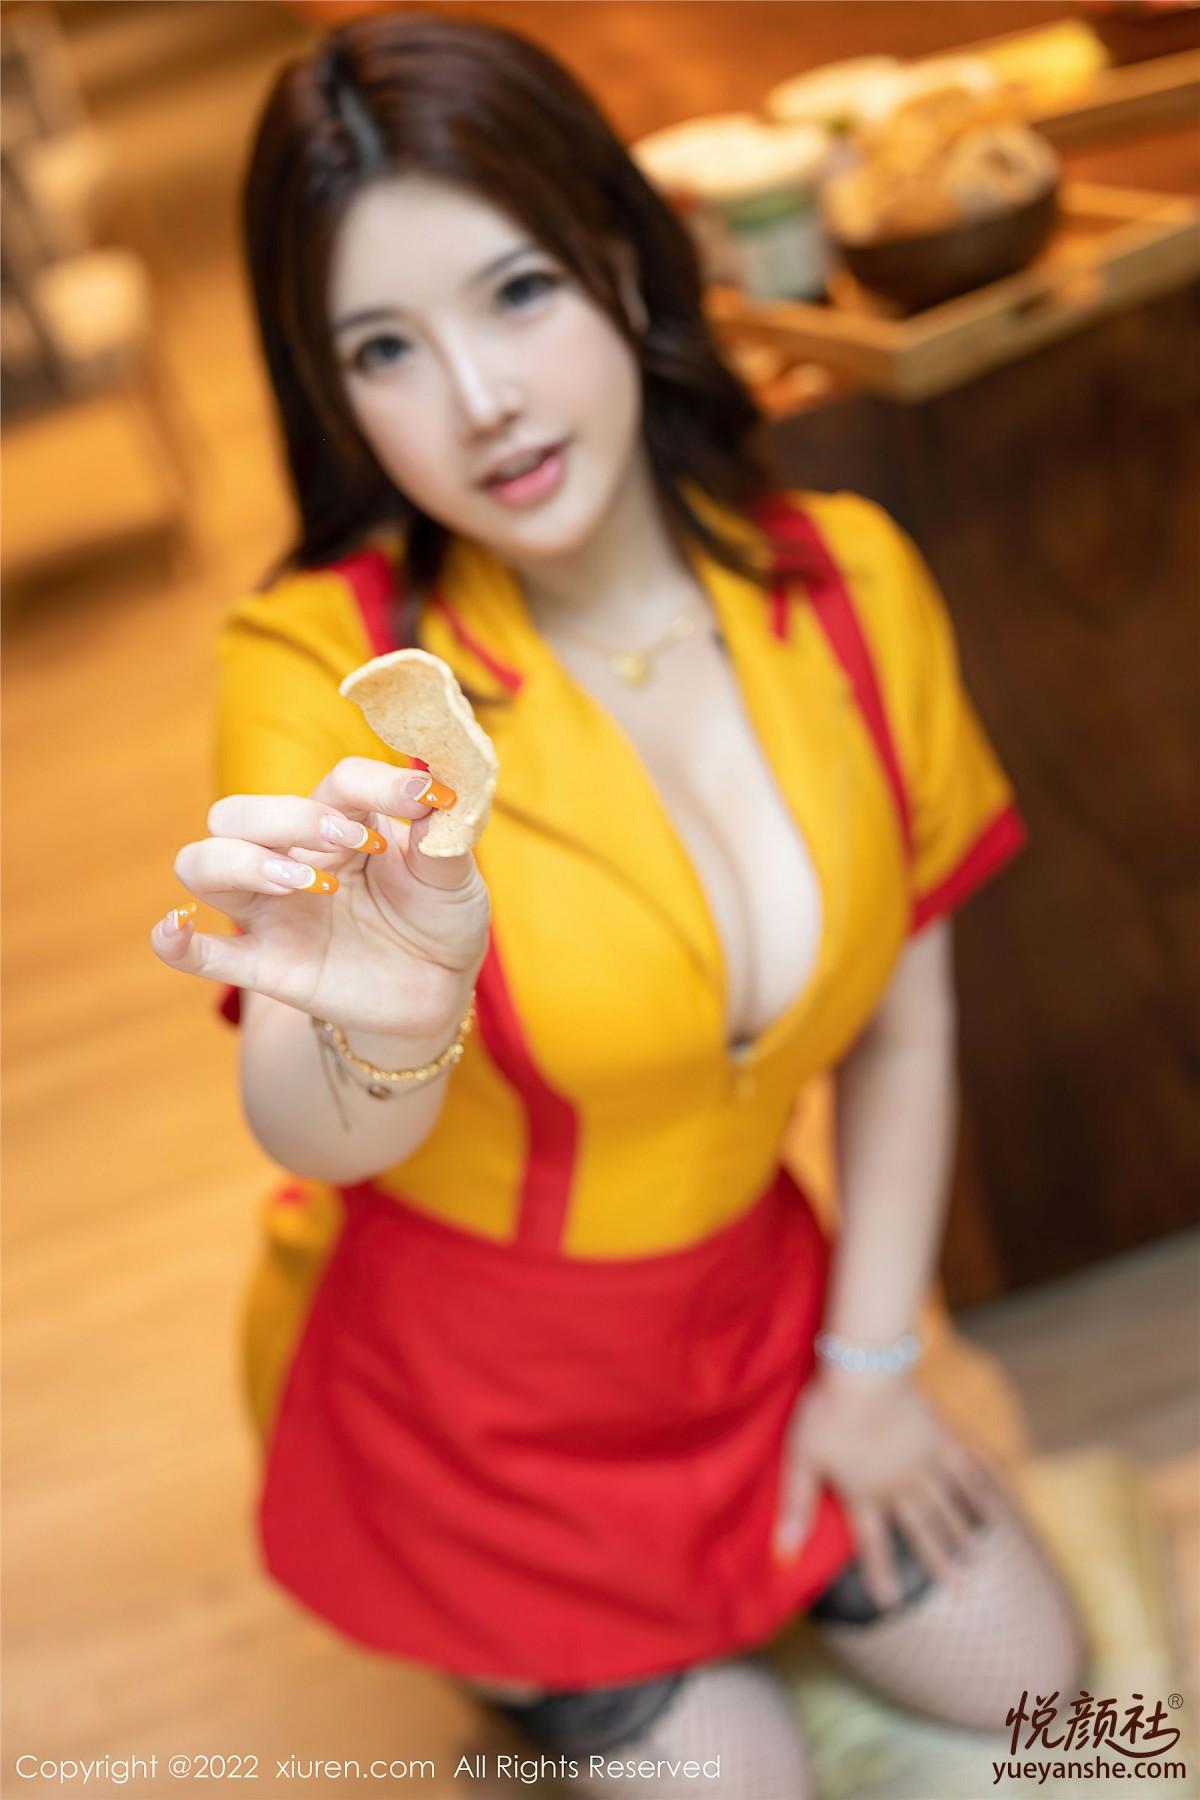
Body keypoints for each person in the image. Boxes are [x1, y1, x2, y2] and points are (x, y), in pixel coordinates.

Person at [150, 15, 1087, 1794]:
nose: (480, 401)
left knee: (1046, 1691)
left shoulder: (849, 587)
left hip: (753, 1322)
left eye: (516, 293)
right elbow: (316, 1121)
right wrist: (376, 1027)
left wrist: (871, 1368)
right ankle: (521, 1654)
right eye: (383, 348)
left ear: (623, 258)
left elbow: (907, 1027)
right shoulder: (322, 668)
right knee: (742, 1780)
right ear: (332, 394)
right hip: (473, 1411)